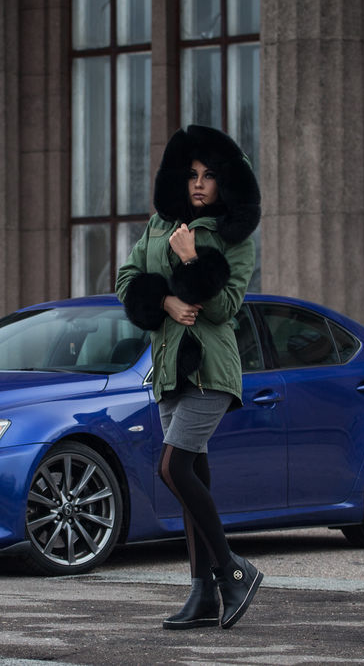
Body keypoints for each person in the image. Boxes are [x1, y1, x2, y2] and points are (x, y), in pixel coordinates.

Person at [115, 124, 263, 630]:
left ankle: (235, 572)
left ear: (226, 183)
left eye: (210, 176)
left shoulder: (233, 239)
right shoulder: (160, 225)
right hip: (168, 369)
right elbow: (126, 279)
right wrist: (165, 300)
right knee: (193, 476)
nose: (199, 184)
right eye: (193, 174)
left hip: (210, 370)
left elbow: (224, 308)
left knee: (173, 468)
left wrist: (192, 260)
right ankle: (203, 595)